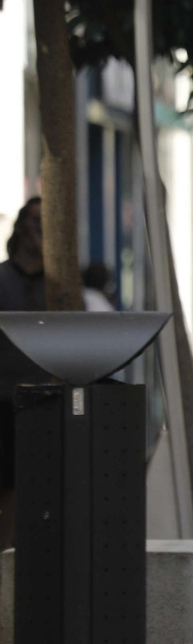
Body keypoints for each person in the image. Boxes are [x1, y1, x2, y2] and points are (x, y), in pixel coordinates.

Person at [0, 197, 46, 553]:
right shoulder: (3, 279)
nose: (39, 228)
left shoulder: (59, 286)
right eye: (34, 220)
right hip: (5, 402)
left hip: (47, 401)